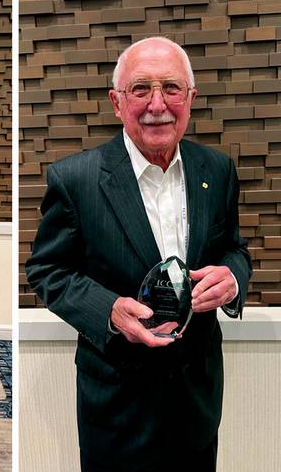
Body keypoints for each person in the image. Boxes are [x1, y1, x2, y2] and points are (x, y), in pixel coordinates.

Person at [25, 36, 252, 472]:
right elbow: (46, 269)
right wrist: (108, 310)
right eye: (141, 88)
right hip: (116, 406)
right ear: (116, 101)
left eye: (171, 88)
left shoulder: (218, 171)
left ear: (190, 98)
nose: (157, 103)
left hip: (196, 402)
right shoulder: (76, 179)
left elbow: (233, 248)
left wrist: (233, 276)